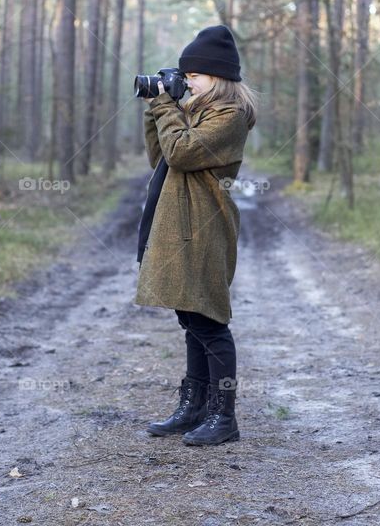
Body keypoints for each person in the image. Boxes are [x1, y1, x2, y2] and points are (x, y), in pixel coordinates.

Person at [134, 25, 258, 446]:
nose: (187, 82)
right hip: (178, 223)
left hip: (204, 226)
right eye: (184, 76)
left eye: (194, 76)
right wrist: (157, 109)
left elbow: (183, 153)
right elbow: (162, 157)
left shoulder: (229, 116)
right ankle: (194, 408)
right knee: (191, 317)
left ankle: (224, 417)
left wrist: (168, 105)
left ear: (217, 76)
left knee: (209, 322)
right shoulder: (196, 110)